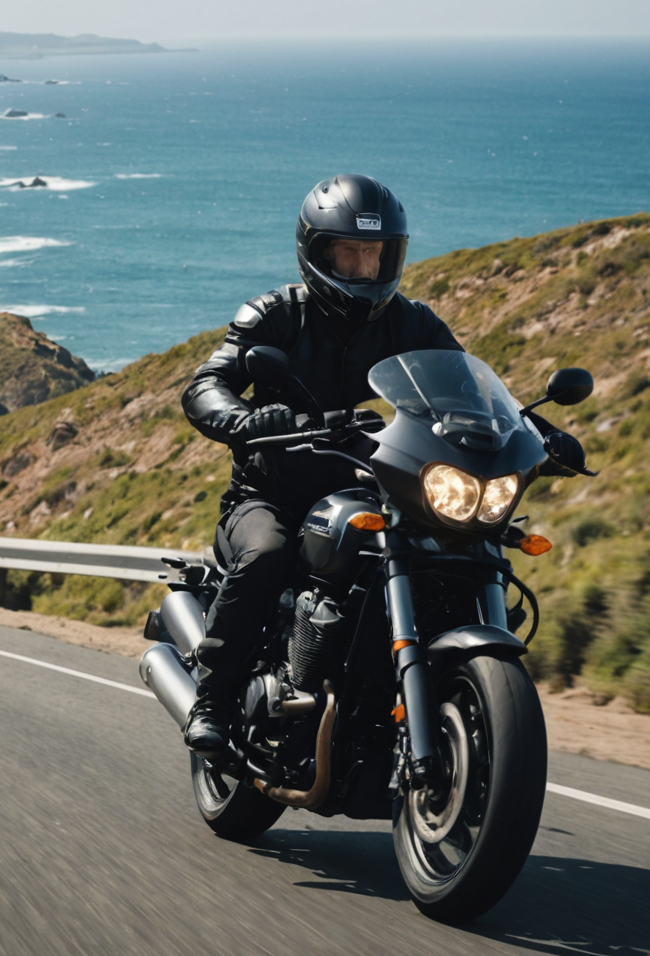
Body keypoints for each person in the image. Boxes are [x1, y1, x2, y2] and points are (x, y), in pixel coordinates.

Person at [177, 174, 462, 758]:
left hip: (369, 490)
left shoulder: (412, 323)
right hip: (271, 493)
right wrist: (242, 420)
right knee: (268, 552)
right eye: (349, 253)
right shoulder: (276, 314)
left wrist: (530, 431)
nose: (364, 267)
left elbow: (460, 386)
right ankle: (212, 698)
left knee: (450, 552)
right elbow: (208, 383)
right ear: (317, 253)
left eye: (375, 253)